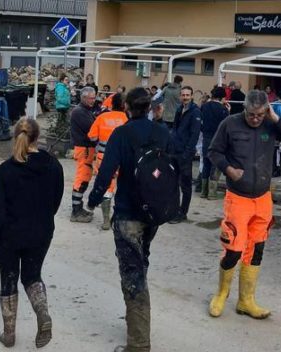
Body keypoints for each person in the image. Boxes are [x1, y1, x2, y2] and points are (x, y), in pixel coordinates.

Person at [87, 88, 173, 352]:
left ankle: (138, 343)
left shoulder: (121, 134)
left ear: (127, 107)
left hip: (127, 213)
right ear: (149, 107)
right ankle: (136, 319)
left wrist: (93, 200)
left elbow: (106, 172)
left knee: (132, 274)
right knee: (141, 261)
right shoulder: (162, 132)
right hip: (153, 212)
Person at [207, 90, 281, 319]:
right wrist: (228, 169)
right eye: (251, 114)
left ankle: (246, 300)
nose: (255, 119)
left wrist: (275, 118)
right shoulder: (230, 124)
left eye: (260, 114)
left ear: (266, 110)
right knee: (234, 249)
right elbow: (213, 152)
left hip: (263, 198)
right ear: (244, 109)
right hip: (238, 198)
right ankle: (221, 294)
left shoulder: (270, 124)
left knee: (256, 250)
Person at [0, 118, 64, 348]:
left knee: (9, 278)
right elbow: (55, 202)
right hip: (41, 232)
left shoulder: (6, 170)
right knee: (32, 276)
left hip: (8, 235)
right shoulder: (54, 165)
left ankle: (9, 334)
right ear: (38, 137)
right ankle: (43, 313)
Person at [88, 93, 128, 230]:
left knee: (106, 187)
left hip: (103, 157)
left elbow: (92, 137)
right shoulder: (128, 119)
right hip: (123, 159)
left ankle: (106, 220)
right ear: (124, 105)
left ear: (111, 104)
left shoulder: (101, 117)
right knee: (123, 187)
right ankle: (119, 218)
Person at [169, 86, 201, 223]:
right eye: (183, 95)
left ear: (192, 96)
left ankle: (183, 213)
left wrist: (187, 153)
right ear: (180, 96)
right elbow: (175, 129)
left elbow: (194, 135)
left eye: (188, 95)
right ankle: (175, 210)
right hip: (175, 152)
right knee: (173, 183)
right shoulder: (179, 109)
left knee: (186, 185)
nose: (185, 97)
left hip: (185, 154)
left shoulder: (195, 112)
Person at [70, 87, 97, 223]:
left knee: (85, 178)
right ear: (84, 98)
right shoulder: (80, 112)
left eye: (94, 97)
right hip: (84, 148)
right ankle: (76, 211)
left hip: (87, 149)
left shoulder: (85, 111)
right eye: (91, 98)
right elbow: (92, 129)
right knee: (81, 179)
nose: (94, 100)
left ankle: (78, 207)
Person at [200, 86, 230, 200]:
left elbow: (201, 124)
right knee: (215, 165)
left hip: (206, 138)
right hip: (218, 140)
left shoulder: (204, 106)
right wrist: (228, 111)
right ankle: (212, 193)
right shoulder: (223, 109)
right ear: (222, 97)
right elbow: (226, 126)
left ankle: (204, 191)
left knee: (206, 164)